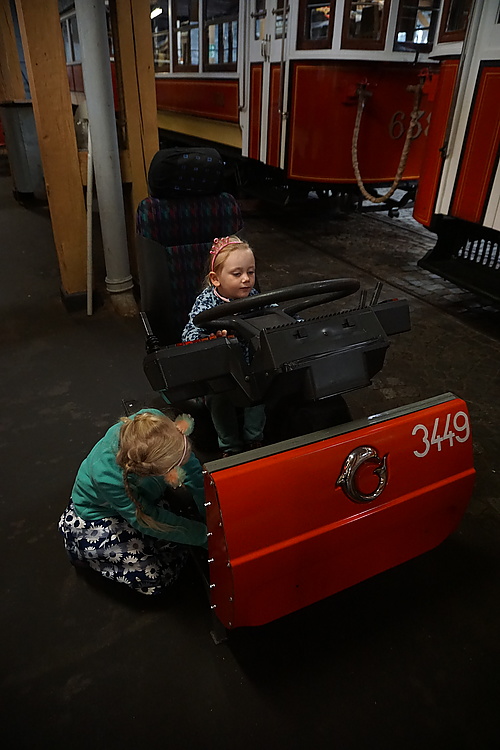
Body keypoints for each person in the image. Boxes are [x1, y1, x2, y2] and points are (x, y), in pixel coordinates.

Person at [58, 409, 207, 596]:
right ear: (149, 473)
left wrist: (208, 506)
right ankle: (88, 555)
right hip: (99, 513)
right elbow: (146, 518)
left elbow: (191, 468)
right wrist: (204, 535)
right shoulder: (107, 476)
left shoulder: (152, 421)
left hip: (136, 495)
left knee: (174, 530)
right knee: (154, 575)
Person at [182, 235, 266, 457]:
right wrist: (212, 335)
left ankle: (254, 440)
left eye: (251, 272)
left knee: (258, 395)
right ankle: (229, 446)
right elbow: (189, 334)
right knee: (219, 400)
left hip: (249, 367)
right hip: (219, 372)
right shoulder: (207, 301)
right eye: (237, 274)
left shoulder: (254, 296)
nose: (247, 279)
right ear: (215, 279)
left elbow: (275, 313)